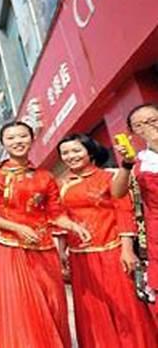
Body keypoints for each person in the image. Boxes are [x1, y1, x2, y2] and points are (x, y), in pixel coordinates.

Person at [0, 121, 90, 348]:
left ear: (31, 140)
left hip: (44, 249)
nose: (17, 141)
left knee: (53, 305)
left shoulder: (45, 177)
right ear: (3, 143)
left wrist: (73, 226)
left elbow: (56, 214)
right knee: (22, 309)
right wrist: (19, 228)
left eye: (22, 136)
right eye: (11, 138)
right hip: (9, 249)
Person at [56, 133, 157, 347]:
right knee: (92, 314)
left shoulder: (109, 176)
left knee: (126, 309)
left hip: (113, 252)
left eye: (76, 150)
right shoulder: (63, 185)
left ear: (90, 151)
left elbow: (123, 210)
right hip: (80, 260)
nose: (70, 156)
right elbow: (61, 219)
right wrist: (61, 253)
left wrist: (127, 250)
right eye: (65, 153)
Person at [112, 102, 158, 319]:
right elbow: (118, 192)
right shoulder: (139, 161)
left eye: (152, 120)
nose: (148, 128)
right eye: (139, 125)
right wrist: (126, 164)